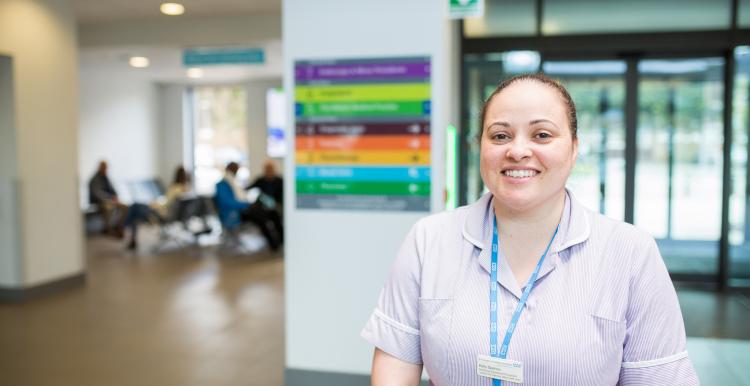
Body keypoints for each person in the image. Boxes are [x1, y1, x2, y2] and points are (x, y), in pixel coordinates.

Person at [361, 74, 699, 385]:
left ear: (574, 148)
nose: (518, 150)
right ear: (481, 146)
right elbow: (394, 369)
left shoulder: (630, 252)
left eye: (542, 135)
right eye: (500, 135)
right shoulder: (429, 240)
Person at [215, 162, 283, 251]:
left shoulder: (279, 180)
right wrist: (246, 203)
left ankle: (281, 241)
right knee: (261, 217)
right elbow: (227, 202)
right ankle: (274, 245)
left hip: (248, 208)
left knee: (272, 214)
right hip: (235, 213)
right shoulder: (223, 184)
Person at [88, 160, 127, 238]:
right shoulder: (94, 179)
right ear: (100, 168)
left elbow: (112, 189)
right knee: (109, 207)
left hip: (109, 200)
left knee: (125, 207)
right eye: (104, 168)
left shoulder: (106, 177)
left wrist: (115, 196)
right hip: (98, 201)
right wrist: (110, 198)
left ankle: (119, 226)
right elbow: (97, 194)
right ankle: (108, 228)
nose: (106, 170)